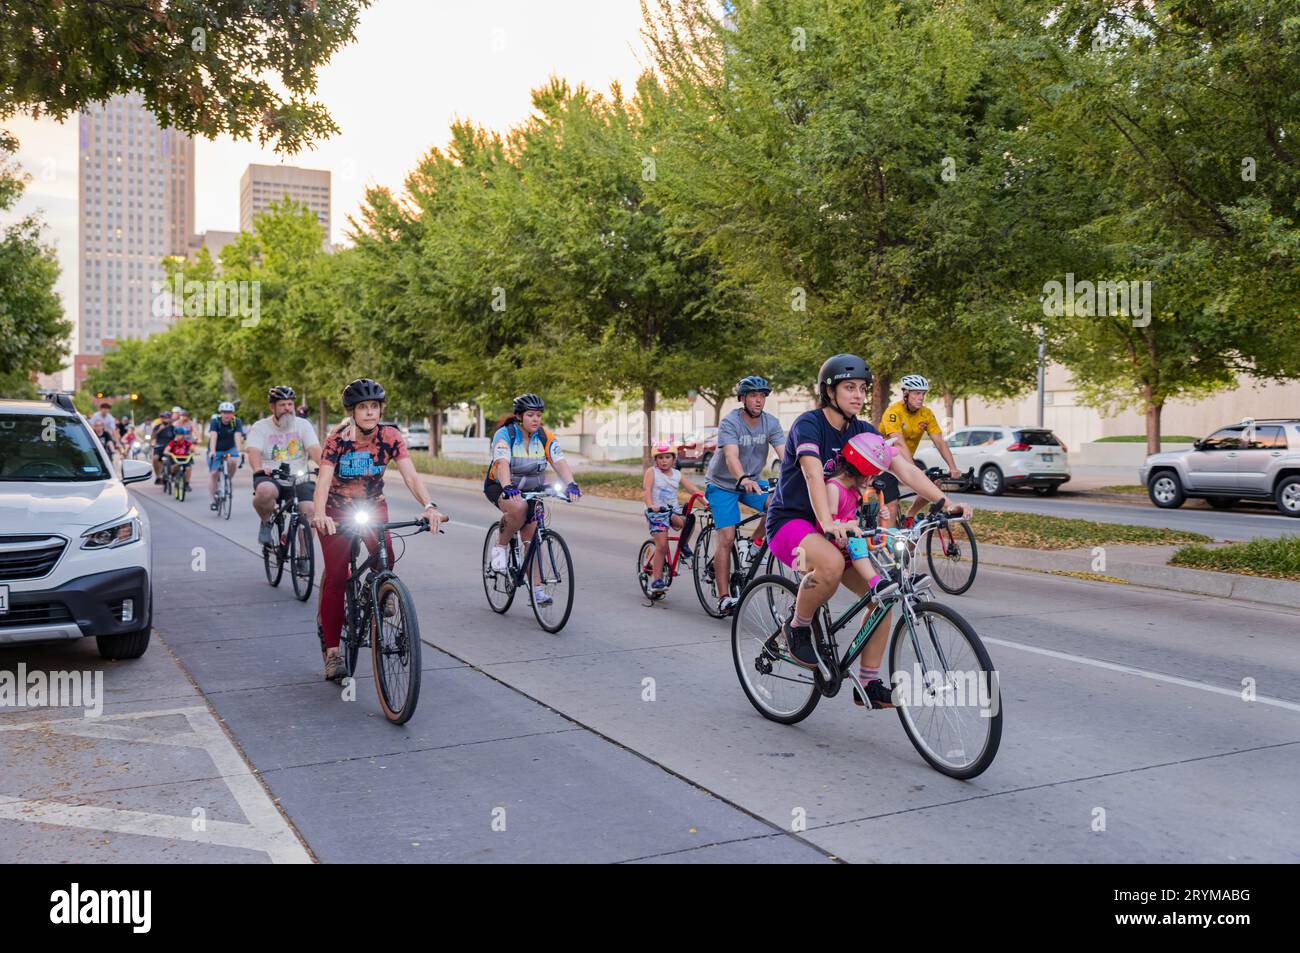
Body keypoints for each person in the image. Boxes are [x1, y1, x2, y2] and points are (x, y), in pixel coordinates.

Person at [765, 354, 971, 697]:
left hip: (839, 526)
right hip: (793, 522)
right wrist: (828, 523)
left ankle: (869, 681)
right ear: (829, 391)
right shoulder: (809, 425)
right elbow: (813, 473)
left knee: (885, 593)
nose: (858, 395)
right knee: (828, 564)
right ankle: (797, 626)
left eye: (862, 388)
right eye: (849, 387)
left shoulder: (863, 431)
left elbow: (904, 469)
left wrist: (944, 503)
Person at [310, 378, 447, 681]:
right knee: (335, 577)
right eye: (363, 407)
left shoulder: (391, 436)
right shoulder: (337, 439)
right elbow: (323, 479)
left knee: (387, 556)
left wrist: (429, 505)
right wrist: (320, 513)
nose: (370, 412)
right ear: (353, 411)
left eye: (375, 406)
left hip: (372, 505)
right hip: (336, 510)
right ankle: (333, 653)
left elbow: (410, 475)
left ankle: (379, 589)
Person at [484, 393, 580, 607]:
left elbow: (559, 461)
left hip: (532, 489)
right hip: (501, 485)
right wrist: (507, 486)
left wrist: (571, 484)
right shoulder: (505, 434)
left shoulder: (545, 437)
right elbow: (502, 463)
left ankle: (536, 590)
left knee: (532, 539)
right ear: (519, 416)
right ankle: (500, 547)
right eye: (530, 415)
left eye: (538, 415)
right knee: (518, 507)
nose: (536, 419)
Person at [703, 375, 785, 614]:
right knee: (727, 539)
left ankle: (753, 544)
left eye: (762, 396)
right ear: (743, 398)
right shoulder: (731, 423)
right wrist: (742, 478)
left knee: (776, 504)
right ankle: (724, 596)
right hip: (723, 484)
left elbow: (785, 452)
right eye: (753, 396)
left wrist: (801, 473)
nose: (759, 400)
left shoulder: (771, 423)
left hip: (751, 481)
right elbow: (730, 456)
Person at [877, 375, 961, 527]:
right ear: (906, 393)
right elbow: (899, 443)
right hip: (884, 463)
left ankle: (911, 514)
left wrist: (953, 467)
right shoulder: (893, 413)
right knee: (892, 506)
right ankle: (886, 544)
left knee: (934, 482)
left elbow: (940, 442)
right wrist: (914, 471)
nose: (921, 397)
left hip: (907, 459)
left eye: (923, 393)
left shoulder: (926, 414)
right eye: (916, 393)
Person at [245, 386, 322, 547]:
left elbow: (314, 449)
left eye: (290, 404)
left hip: (299, 477)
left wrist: (325, 467)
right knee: (265, 492)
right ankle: (266, 522)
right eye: (282, 405)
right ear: (272, 407)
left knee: (309, 509)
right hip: (270, 475)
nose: (287, 408)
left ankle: (304, 556)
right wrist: (258, 468)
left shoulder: (303, 425)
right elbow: (254, 451)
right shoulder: (260, 427)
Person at [643, 441, 705, 595]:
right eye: (660, 457)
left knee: (688, 520)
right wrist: (651, 506)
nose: (664, 461)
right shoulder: (652, 472)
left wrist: (705, 502)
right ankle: (657, 580)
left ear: (674, 458)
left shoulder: (677, 474)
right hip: (657, 513)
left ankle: (683, 545)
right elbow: (647, 490)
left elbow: (692, 488)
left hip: (672, 511)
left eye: (667, 457)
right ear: (655, 460)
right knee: (662, 546)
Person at [207, 400, 245, 509]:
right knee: (214, 473)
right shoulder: (215, 421)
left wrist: (239, 450)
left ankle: (228, 479)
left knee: (233, 461)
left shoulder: (236, 421)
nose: (226, 415)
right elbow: (213, 436)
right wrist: (212, 450)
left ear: (233, 413)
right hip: (217, 450)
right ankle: (212, 500)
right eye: (224, 412)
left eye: (229, 412)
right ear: (220, 413)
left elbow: (237, 436)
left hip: (230, 449)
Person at [163, 424, 196, 493]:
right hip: (174, 459)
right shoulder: (173, 443)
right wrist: (168, 452)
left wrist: (195, 452)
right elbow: (166, 450)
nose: (178, 436)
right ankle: (173, 475)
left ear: (184, 435)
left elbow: (193, 449)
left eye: (180, 434)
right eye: (177, 434)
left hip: (185, 459)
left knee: (188, 468)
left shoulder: (187, 443)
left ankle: (187, 484)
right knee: (173, 467)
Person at [150, 410, 176, 484]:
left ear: (169, 418)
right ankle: (158, 476)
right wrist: (159, 430)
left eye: (166, 417)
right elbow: (152, 437)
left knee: (175, 461)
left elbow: (176, 438)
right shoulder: (157, 427)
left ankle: (173, 474)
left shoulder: (173, 428)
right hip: (159, 447)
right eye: (162, 417)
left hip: (170, 447)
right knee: (155, 459)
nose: (164, 419)